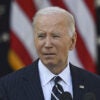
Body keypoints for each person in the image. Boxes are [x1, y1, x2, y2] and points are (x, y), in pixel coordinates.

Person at [0, 6, 100, 100]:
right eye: (41, 36)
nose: (47, 44)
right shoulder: (7, 87)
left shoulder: (95, 85)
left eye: (55, 36)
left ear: (72, 41)